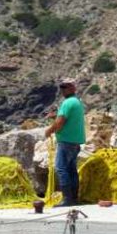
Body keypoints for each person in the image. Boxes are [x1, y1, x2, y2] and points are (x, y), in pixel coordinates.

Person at [45, 78, 86, 206]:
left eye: (66, 86)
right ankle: (74, 198)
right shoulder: (77, 102)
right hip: (75, 142)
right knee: (71, 169)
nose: (63, 89)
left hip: (66, 141)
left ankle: (67, 199)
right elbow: (65, 117)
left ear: (73, 88)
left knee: (61, 169)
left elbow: (60, 122)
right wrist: (55, 116)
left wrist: (49, 130)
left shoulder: (67, 103)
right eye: (62, 86)